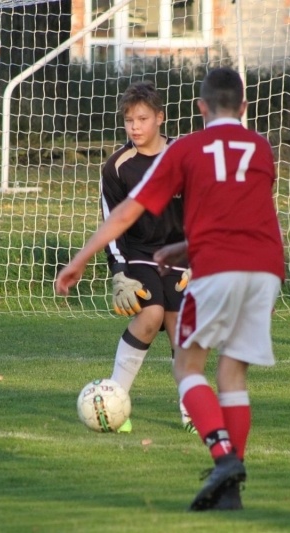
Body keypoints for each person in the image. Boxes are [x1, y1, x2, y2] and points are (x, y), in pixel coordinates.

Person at [55, 67, 285, 511]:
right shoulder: (260, 148)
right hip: (264, 268)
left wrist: (79, 261)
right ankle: (230, 486)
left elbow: (125, 214)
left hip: (216, 268)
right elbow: (251, 216)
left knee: (188, 364)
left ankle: (222, 458)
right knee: (233, 375)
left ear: (200, 108)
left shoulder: (189, 150)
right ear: (243, 108)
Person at [100, 80, 193, 434]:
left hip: (182, 255)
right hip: (139, 254)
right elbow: (112, 222)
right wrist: (119, 272)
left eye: (142, 119)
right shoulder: (118, 166)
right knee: (150, 315)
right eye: (128, 121)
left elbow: (206, 208)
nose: (135, 127)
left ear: (159, 118)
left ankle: (191, 414)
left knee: (180, 327)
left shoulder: (184, 155)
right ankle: (112, 402)